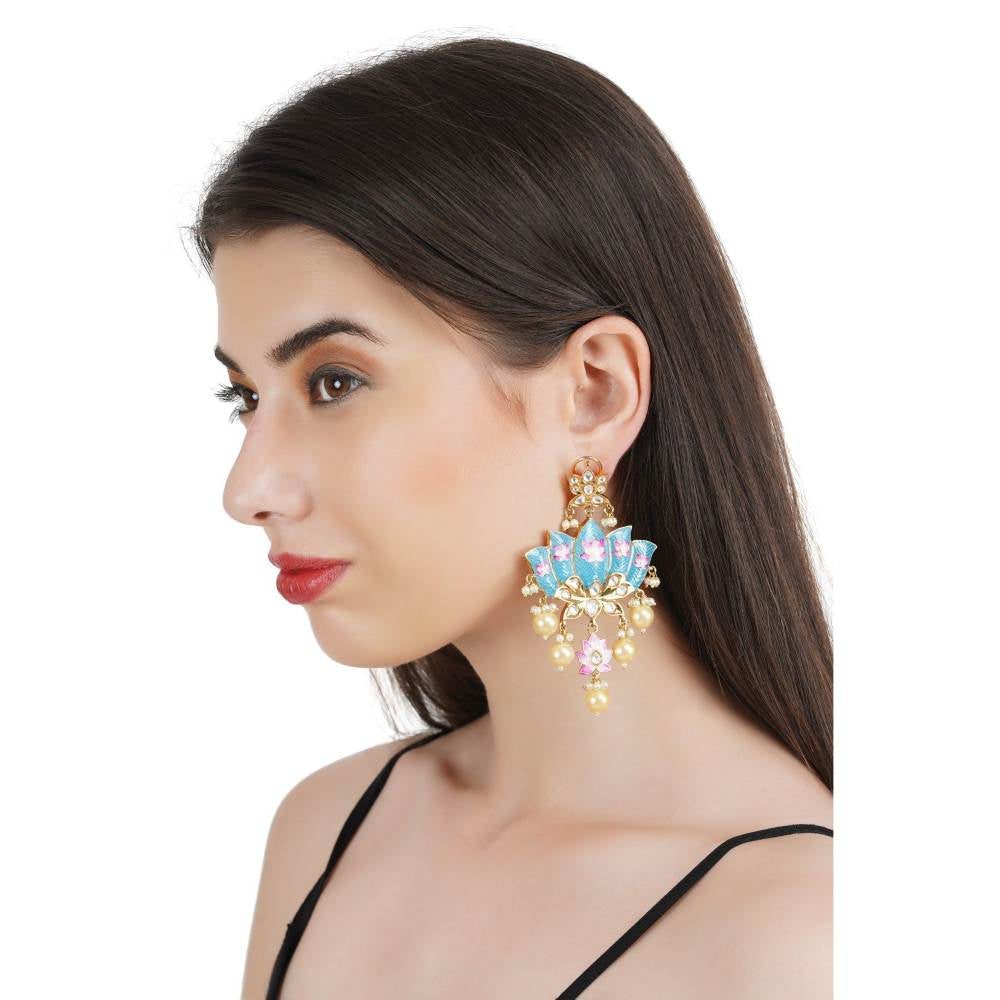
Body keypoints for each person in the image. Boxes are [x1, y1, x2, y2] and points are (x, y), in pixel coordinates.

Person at [189, 35, 833, 1000]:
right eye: (246, 398)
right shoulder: (329, 830)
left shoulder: (799, 933)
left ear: (595, 391)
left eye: (334, 381)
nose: (248, 490)